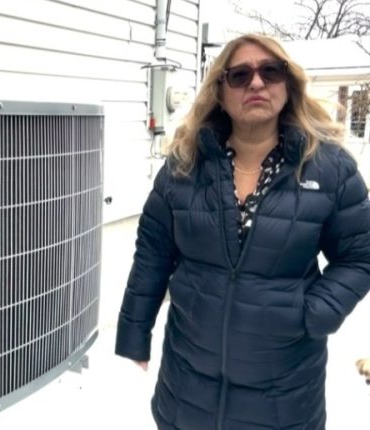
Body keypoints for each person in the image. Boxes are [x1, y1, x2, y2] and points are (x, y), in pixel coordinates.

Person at [115, 33, 370, 430]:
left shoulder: (328, 169)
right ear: (220, 90)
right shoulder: (184, 167)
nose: (256, 83)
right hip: (188, 387)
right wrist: (134, 330)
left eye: (271, 71)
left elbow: (360, 255)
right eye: (239, 75)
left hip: (284, 394)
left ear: (288, 84)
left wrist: (313, 313)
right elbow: (152, 253)